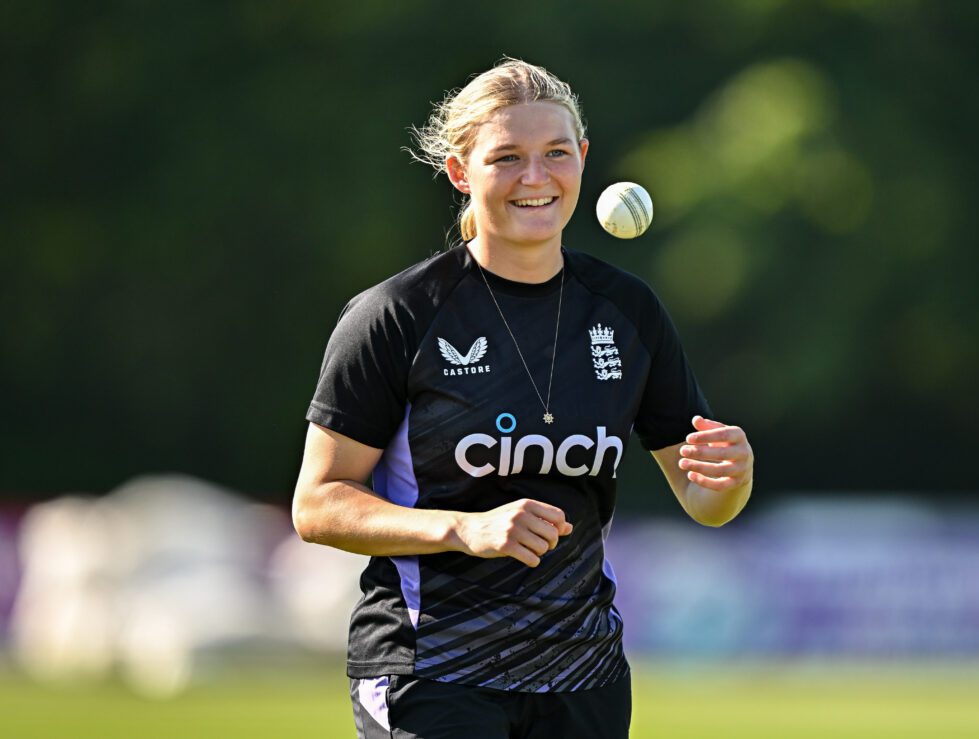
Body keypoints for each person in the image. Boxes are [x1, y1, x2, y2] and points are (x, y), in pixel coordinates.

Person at [292, 58, 754, 739]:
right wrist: (463, 528)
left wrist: (730, 480)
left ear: (583, 159)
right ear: (460, 172)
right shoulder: (397, 314)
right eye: (507, 157)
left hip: (583, 676)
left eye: (555, 154)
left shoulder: (628, 311)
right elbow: (318, 504)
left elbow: (704, 501)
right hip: (433, 670)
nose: (535, 178)